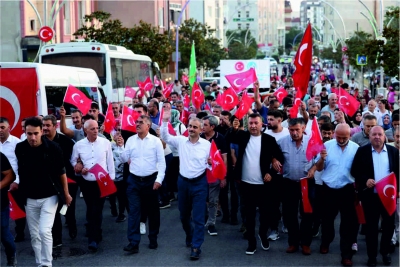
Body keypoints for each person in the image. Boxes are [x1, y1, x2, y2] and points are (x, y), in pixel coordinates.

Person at [15, 117, 72, 267]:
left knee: (44, 231)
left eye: (35, 133)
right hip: (29, 197)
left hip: (50, 196)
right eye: (29, 134)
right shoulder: (20, 148)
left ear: (41, 132)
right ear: (25, 132)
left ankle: (47, 263)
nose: (32, 137)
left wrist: (66, 194)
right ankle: (40, 263)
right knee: (34, 235)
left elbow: (62, 172)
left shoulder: (53, 148)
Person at [160, 110, 210, 260]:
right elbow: (165, 137)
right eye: (190, 126)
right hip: (183, 183)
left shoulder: (207, 145)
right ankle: (190, 234)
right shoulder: (181, 141)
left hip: (200, 183)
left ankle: (196, 246)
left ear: (201, 129)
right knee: (183, 215)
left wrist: (211, 164)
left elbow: (213, 164)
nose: (191, 129)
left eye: (195, 127)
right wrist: (164, 121)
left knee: (199, 217)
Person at [232, 113, 284, 254]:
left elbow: (280, 158)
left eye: (256, 123)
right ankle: (251, 242)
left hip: (264, 185)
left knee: (265, 214)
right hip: (246, 184)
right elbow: (228, 137)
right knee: (248, 215)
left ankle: (262, 233)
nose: (253, 126)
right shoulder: (242, 136)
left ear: (262, 124)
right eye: (251, 123)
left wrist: (271, 173)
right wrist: (234, 127)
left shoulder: (269, 139)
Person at [351, 126, 400, 266]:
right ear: (370, 136)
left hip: (389, 196)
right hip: (370, 196)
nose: (377, 137)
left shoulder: (393, 151)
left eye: (380, 134)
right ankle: (372, 256)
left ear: (384, 136)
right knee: (371, 228)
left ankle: (385, 252)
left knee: (389, 226)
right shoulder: (362, 151)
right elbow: (354, 170)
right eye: (374, 135)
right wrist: (365, 179)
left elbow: (398, 172)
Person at [118, 115, 166, 253]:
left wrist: (159, 180)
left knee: (152, 211)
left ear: (148, 126)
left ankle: (153, 237)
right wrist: (121, 147)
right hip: (134, 181)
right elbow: (124, 159)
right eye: (136, 122)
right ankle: (133, 242)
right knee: (134, 212)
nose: (137, 124)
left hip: (151, 181)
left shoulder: (156, 141)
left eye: (141, 122)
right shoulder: (131, 140)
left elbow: (162, 163)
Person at [315, 124, 359, 267]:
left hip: (346, 189)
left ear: (349, 135)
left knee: (347, 223)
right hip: (328, 189)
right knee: (327, 219)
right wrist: (321, 159)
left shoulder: (355, 148)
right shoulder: (327, 145)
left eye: (344, 137)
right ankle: (326, 242)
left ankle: (346, 254)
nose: (340, 140)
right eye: (338, 137)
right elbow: (319, 168)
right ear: (334, 134)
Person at [70, 119, 115, 252]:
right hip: (86, 181)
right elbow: (73, 161)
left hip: (102, 181)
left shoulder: (105, 142)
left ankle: (93, 238)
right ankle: (96, 231)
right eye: (92, 129)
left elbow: (110, 162)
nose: (96, 131)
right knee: (91, 208)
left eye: (97, 128)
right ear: (86, 130)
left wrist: (111, 179)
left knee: (97, 209)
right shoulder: (78, 145)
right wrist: (79, 167)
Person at [274, 118, 314, 255]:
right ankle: (293, 242)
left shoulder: (311, 142)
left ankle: (305, 243)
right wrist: (273, 159)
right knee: (289, 214)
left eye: (297, 129)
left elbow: (318, 161)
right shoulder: (282, 142)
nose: (295, 133)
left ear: (303, 128)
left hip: (306, 183)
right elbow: (274, 155)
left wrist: (313, 169)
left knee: (307, 214)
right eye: (292, 130)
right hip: (288, 183)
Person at [42, 115, 78, 245]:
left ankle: (72, 226)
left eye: (47, 125)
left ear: (54, 126)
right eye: (43, 126)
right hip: (51, 181)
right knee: (54, 210)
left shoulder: (66, 141)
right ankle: (57, 238)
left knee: (69, 206)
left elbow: (75, 157)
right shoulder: (40, 141)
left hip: (69, 179)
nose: (45, 128)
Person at [200, 116, 227, 236]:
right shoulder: (199, 138)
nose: (202, 127)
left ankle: (211, 223)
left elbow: (224, 158)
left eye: (205, 125)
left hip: (214, 175)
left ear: (212, 127)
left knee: (213, 200)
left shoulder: (220, 138)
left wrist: (223, 176)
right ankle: (202, 221)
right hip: (200, 175)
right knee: (201, 199)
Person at [0, 117, 25, 243]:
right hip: (0, 183)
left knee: (18, 209)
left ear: (8, 128)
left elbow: (22, 165)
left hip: (15, 182)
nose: (0, 130)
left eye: (2, 127)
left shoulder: (17, 143)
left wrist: (17, 181)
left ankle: (19, 232)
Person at [1, 152, 17, 266]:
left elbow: (11, 175)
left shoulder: (0, 156)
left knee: (4, 234)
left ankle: (11, 255)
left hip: (0, 204)